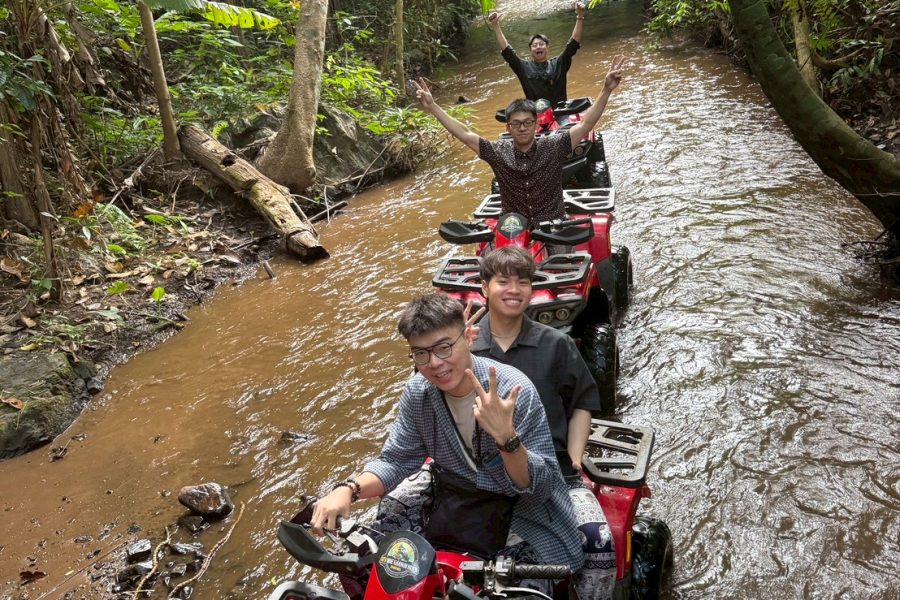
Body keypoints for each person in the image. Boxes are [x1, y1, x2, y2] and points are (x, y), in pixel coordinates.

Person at [310, 293, 584, 597]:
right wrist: (348, 489)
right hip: (459, 500)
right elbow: (397, 459)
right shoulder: (418, 393)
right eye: (421, 353)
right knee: (374, 560)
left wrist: (506, 439)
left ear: (468, 336)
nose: (435, 363)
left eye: (444, 347)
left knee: (521, 590)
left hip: (522, 511)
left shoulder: (512, 392)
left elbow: (539, 487)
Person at [469, 246, 616, 600]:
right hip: (480, 474)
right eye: (503, 281)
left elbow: (582, 402)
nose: (514, 290)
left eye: (522, 282)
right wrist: (455, 346)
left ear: (532, 289)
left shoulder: (557, 344)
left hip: (554, 471)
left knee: (599, 543)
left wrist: (576, 458)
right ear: (484, 287)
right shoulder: (464, 347)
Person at [412, 56, 626, 223]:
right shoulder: (498, 152)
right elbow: (464, 134)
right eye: (516, 124)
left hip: (553, 225)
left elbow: (585, 125)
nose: (522, 128)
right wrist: (433, 107)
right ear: (508, 127)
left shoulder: (553, 146)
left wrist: (606, 90)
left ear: (535, 124)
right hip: (514, 228)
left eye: (527, 123)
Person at [487, 3, 588, 106]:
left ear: (547, 47)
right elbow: (507, 51)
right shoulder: (523, 67)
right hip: (535, 113)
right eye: (534, 45)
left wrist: (580, 16)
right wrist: (496, 25)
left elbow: (573, 43)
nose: (538, 47)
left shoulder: (559, 63)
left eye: (541, 44)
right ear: (530, 50)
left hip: (560, 111)